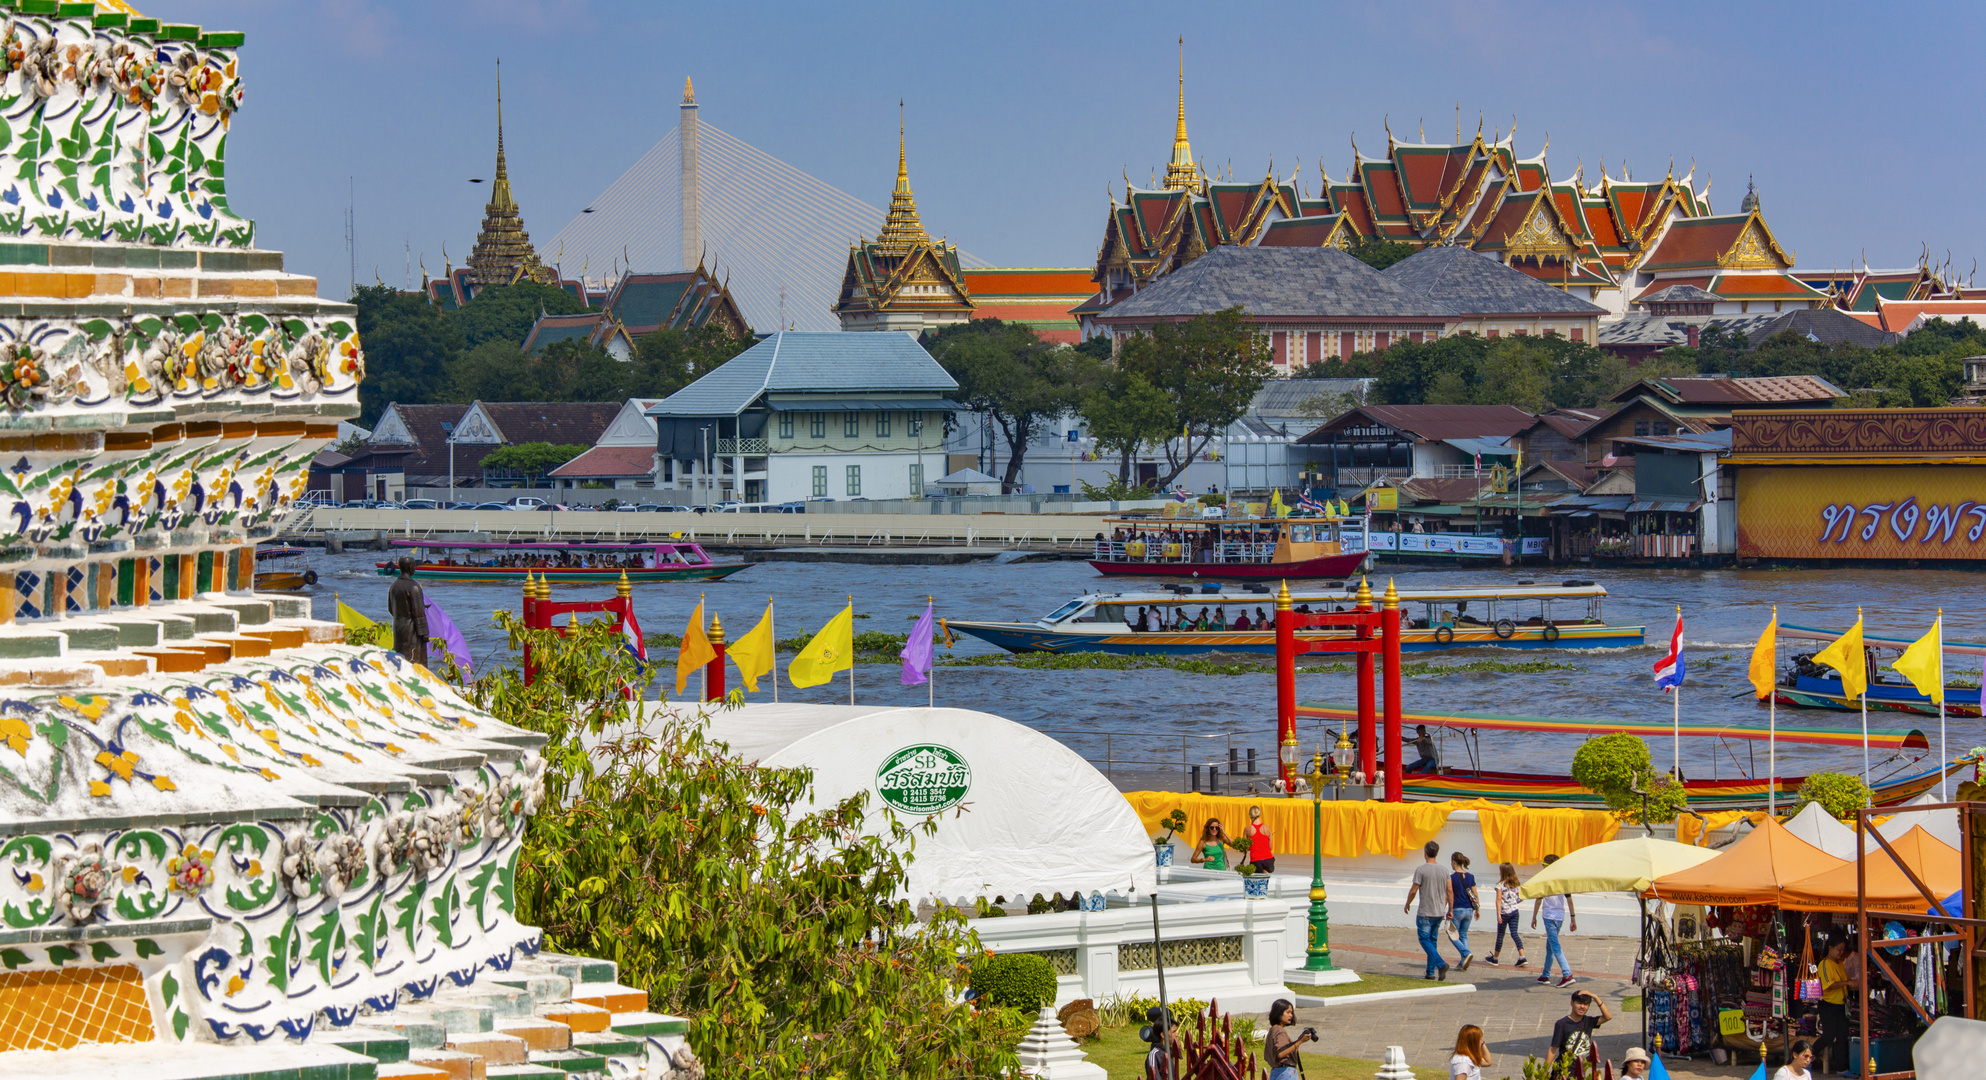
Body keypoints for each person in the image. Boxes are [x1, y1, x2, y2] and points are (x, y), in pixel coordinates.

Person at [1404, 840, 1453, 980]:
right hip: (1439, 911)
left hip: (1425, 911)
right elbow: (1450, 891)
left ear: (1425, 853)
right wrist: (1450, 908)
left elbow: (1414, 890)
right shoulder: (1444, 870)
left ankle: (1440, 963)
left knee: (1424, 939)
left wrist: (1408, 902)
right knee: (1432, 940)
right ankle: (1430, 972)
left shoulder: (1421, 869)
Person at [1531, 855, 1576, 986]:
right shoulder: (1563, 880)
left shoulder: (1545, 880)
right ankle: (1545, 974)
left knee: (1555, 946)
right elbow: (1569, 900)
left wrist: (1534, 916)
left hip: (1549, 916)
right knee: (1550, 946)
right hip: (1560, 916)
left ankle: (1567, 974)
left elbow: (1538, 899)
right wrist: (1573, 918)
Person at [1814, 936, 1850, 1074]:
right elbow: (1829, 985)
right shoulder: (1825, 964)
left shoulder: (1840, 964)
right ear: (1830, 948)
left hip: (1841, 1005)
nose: (1841, 952)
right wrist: (1848, 983)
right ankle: (1806, 1055)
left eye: (1843, 950)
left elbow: (1843, 983)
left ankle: (1842, 1068)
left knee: (1842, 1036)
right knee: (1829, 1036)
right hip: (1829, 1005)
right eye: (1839, 949)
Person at [1547, 989, 1611, 1065]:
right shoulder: (1562, 1024)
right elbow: (1553, 1048)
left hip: (1581, 1069)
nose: (1582, 1007)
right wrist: (1545, 1070)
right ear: (1572, 1003)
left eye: (1586, 1004)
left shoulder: (1588, 1021)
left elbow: (1608, 1016)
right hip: (1565, 1068)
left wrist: (1595, 997)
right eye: (1579, 1003)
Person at [386, 556, 429, 665]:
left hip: (398, 628)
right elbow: (419, 614)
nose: (415, 568)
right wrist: (424, 634)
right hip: (412, 631)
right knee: (415, 661)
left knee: (400, 659)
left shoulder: (394, 586)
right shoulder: (414, 587)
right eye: (414, 566)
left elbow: (391, 609)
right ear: (410, 567)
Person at [1484, 862, 1527, 967]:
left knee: (1500, 935)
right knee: (1514, 933)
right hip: (1515, 911)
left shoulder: (1500, 885)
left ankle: (1495, 958)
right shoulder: (1516, 884)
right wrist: (1514, 903)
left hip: (1504, 913)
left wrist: (1498, 914)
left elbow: (1498, 899)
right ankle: (1522, 956)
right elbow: (1521, 897)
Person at [1264, 999, 1315, 1080]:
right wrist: (1299, 1042)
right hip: (1285, 1072)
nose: (1291, 1015)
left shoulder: (1273, 1030)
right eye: (1288, 1012)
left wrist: (1297, 1042)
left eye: (1291, 1013)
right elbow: (1280, 1053)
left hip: (1276, 1072)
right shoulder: (1280, 1031)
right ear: (1279, 1013)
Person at [1449, 853, 1479, 971]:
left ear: (1454, 862)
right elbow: (1475, 894)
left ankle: (1466, 953)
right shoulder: (1470, 877)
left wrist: (1448, 909)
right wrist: (1477, 909)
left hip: (1457, 908)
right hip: (1469, 910)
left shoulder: (1452, 877)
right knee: (1463, 935)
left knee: (1452, 935)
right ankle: (1463, 962)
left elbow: (1449, 895)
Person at [1241, 805, 1274, 873]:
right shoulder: (1267, 828)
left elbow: (1246, 848)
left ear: (1250, 815)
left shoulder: (1247, 829)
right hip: (1268, 859)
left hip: (1256, 860)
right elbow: (1270, 847)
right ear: (1259, 814)